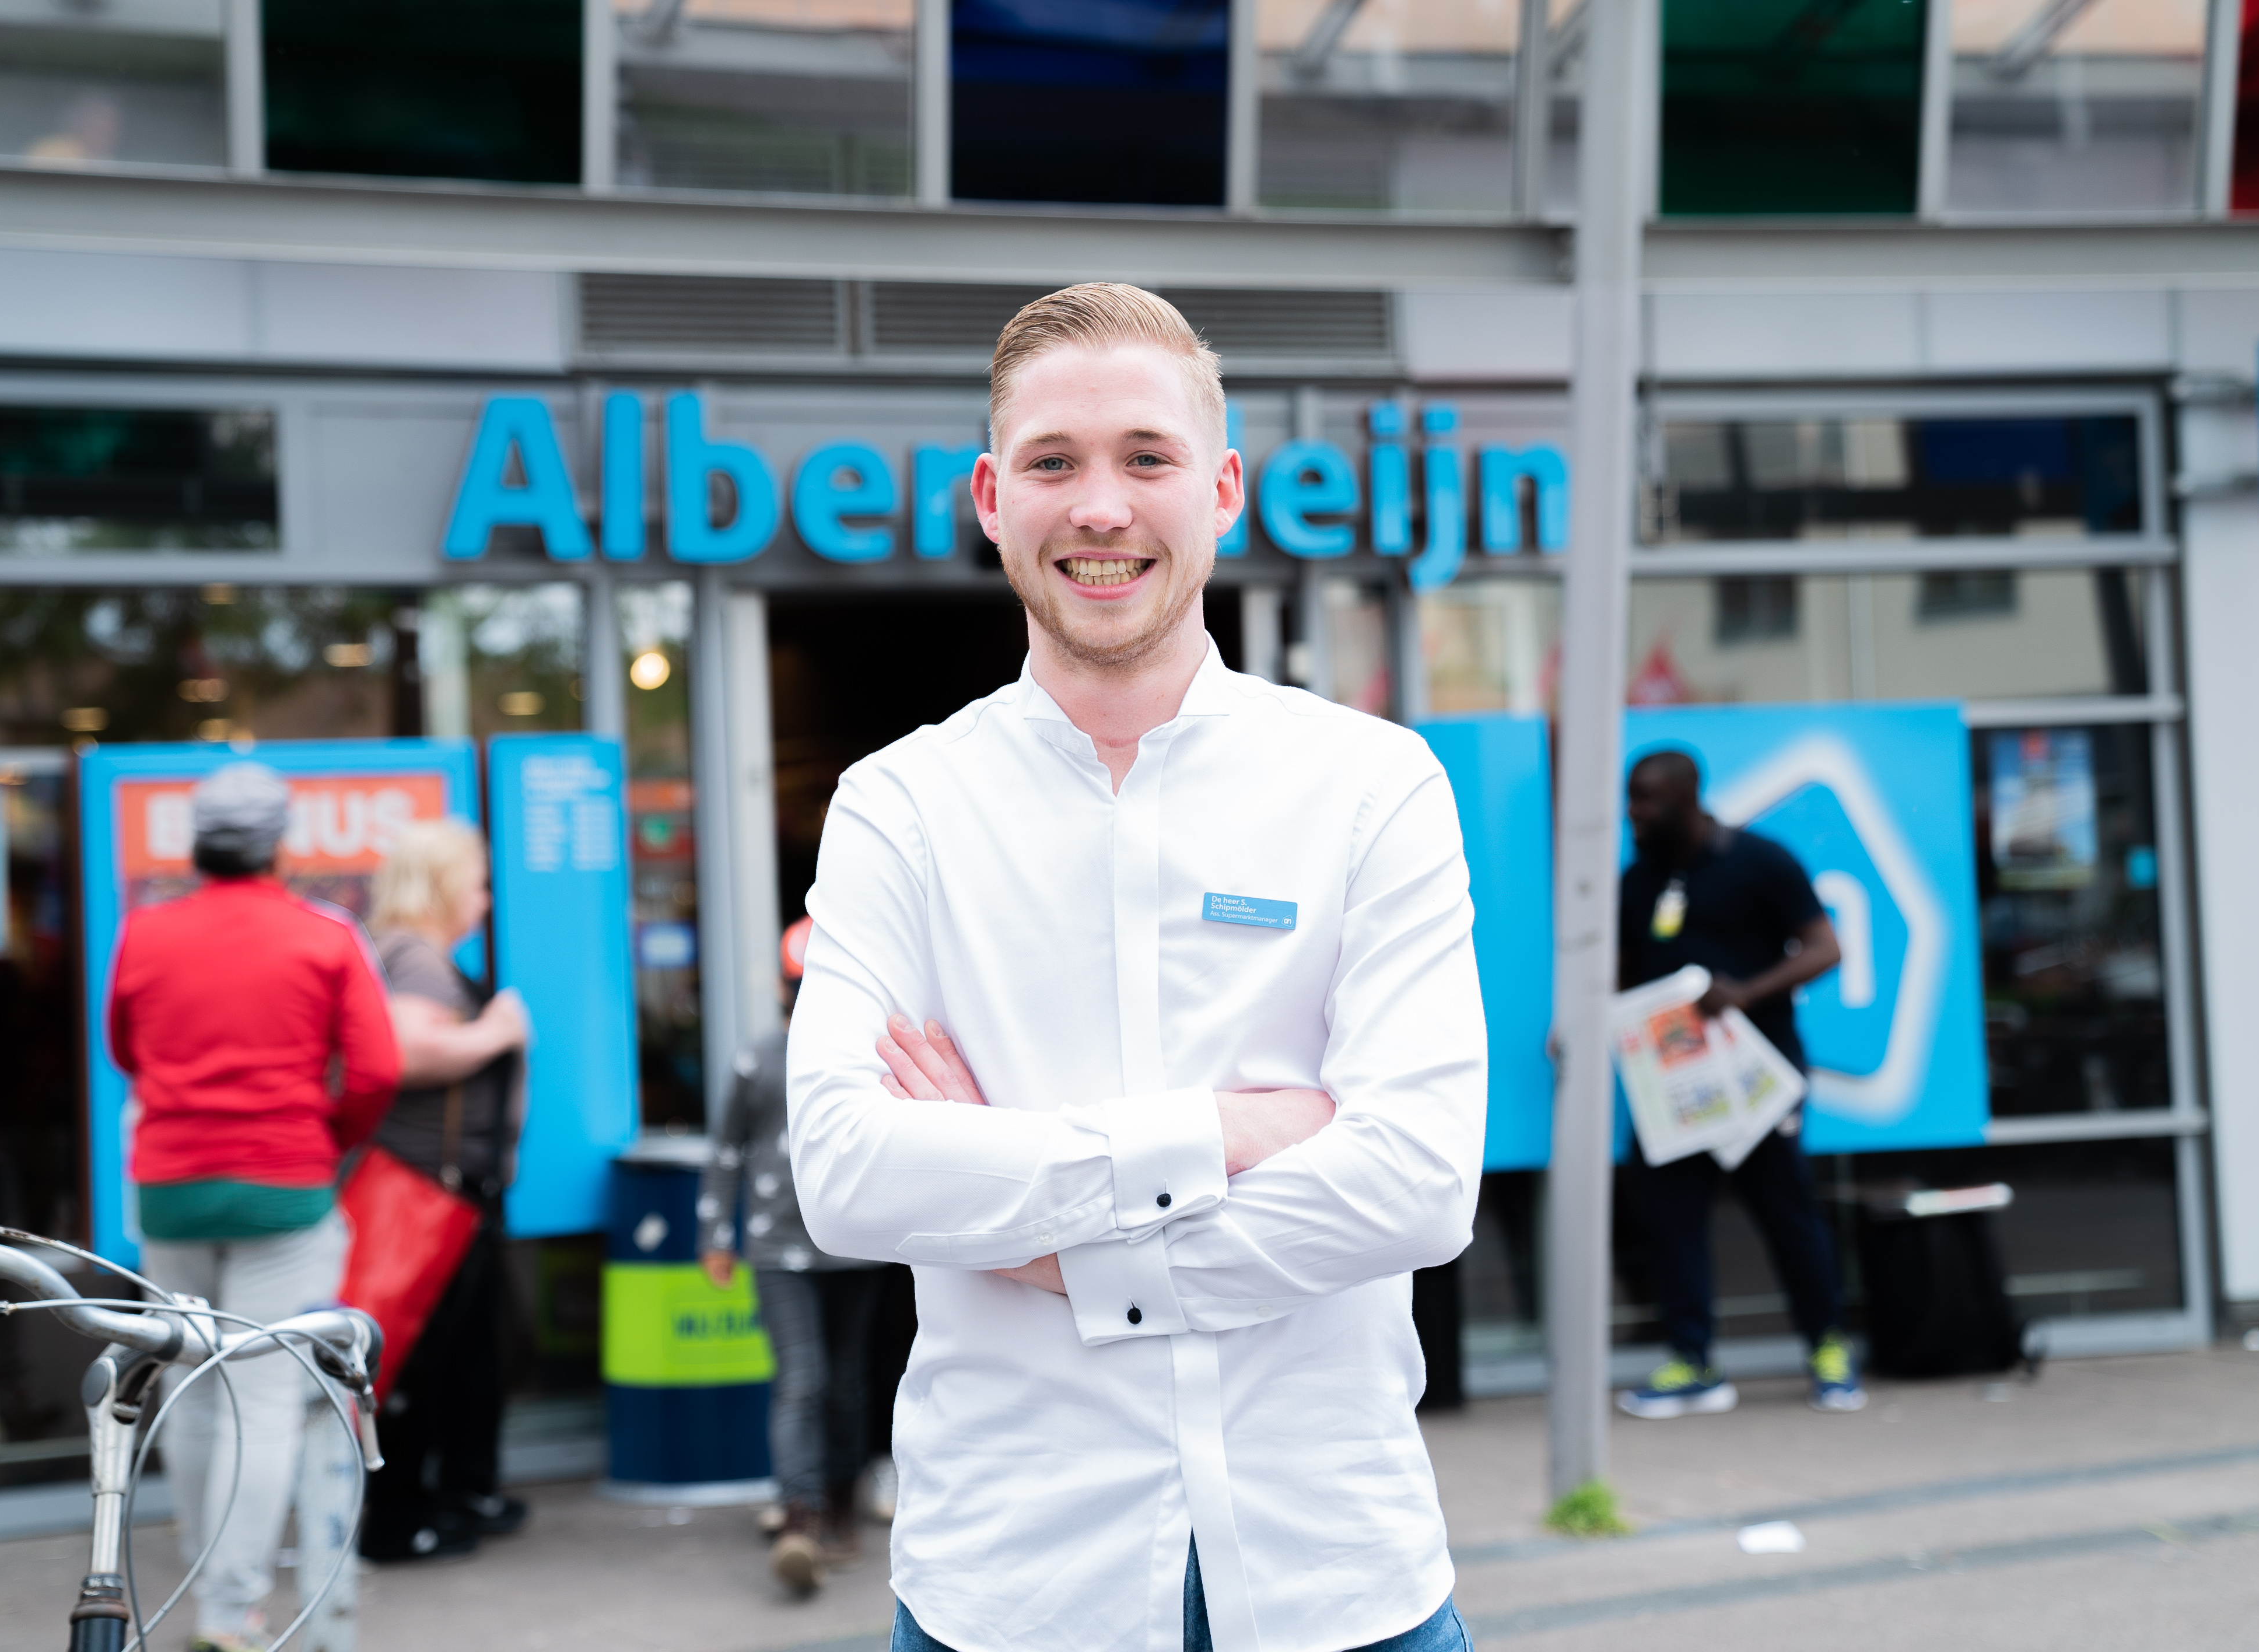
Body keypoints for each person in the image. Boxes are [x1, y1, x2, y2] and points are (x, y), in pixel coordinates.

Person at [786, 284, 1486, 1652]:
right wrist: (1228, 1130)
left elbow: (1414, 1181)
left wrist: (1038, 1231)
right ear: (991, 496)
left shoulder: (1368, 784)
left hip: (1334, 1571)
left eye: (1144, 458)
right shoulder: (900, 806)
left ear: (1220, 488)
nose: (1098, 507)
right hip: (1012, 1584)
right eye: (1052, 462)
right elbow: (847, 1171)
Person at [109, 762, 401, 1652]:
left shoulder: (145, 933)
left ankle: (208, 1570)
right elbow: (379, 1069)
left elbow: (125, 1050)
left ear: (198, 844)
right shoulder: (325, 934)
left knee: (191, 1394)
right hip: (284, 1188)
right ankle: (231, 1614)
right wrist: (326, 1135)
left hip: (170, 1190)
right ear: (279, 843)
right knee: (264, 1399)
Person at [1614, 747, 1865, 1419]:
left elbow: (1824, 948)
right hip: (1671, 1088)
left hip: (1757, 1080)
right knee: (1671, 1222)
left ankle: (1827, 1351)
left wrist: (1747, 993)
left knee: (1788, 1216)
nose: (1634, 813)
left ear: (1689, 797)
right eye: (1630, 799)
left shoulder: (1761, 861)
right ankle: (1693, 1362)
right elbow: (1619, 974)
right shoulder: (1637, 881)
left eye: (1647, 799)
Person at [358, 818, 531, 1563]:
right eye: (476, 883)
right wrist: (498, 1030)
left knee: (465, 1357)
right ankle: (401, 1522)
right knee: (422, 1359)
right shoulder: (416, 959)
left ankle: (460, 1494)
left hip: (454, 1192)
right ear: (439, 885)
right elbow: (405, 1051)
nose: (485, 900)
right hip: (433, 1193)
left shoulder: (409, 954)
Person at [700, 915, 885, 1597]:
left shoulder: (869, 1056)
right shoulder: (758, 1058)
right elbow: (724, 1154)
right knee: (801, 1380)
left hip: (857, 1247)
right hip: (780, 1247)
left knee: (846, 1381)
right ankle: (800, 1519)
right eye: (795, 985)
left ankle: (840, 1504)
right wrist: (714, 1235)